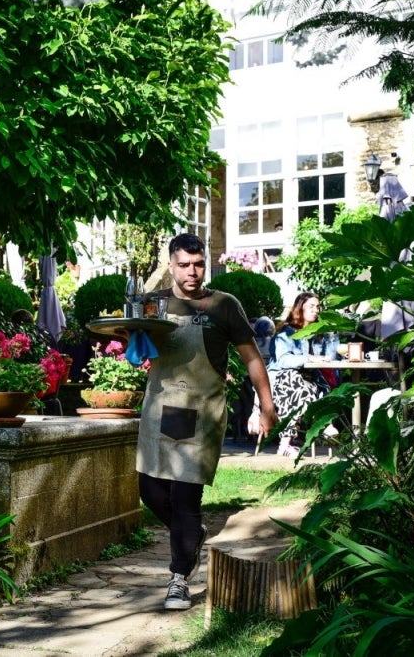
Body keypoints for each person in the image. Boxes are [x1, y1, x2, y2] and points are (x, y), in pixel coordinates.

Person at [136, 233, 277, 611]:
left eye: (198, 264)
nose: (192, 272)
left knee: (185, 497)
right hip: (160, 408)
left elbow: (251, 358)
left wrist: (265, 405)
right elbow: (135, 347)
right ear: (171, 265)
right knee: (150, 492)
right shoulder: (154, 304)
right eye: (184, 264)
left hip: (201, 412)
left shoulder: (223, 306)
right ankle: (192, 534)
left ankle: (179, 578)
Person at [265, 292, 340, 457]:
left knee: (310, 389)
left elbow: (331, 359)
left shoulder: (317, 335)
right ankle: (325, 423)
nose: (316, 310)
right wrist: (309, 358)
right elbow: (284, 361)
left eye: (318, 307)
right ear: (300, 309)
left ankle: (284, 444)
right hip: (281, 381)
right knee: (299, 384)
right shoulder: (286, 333)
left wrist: (332, 334)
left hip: (309, 383)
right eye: (311, 306)